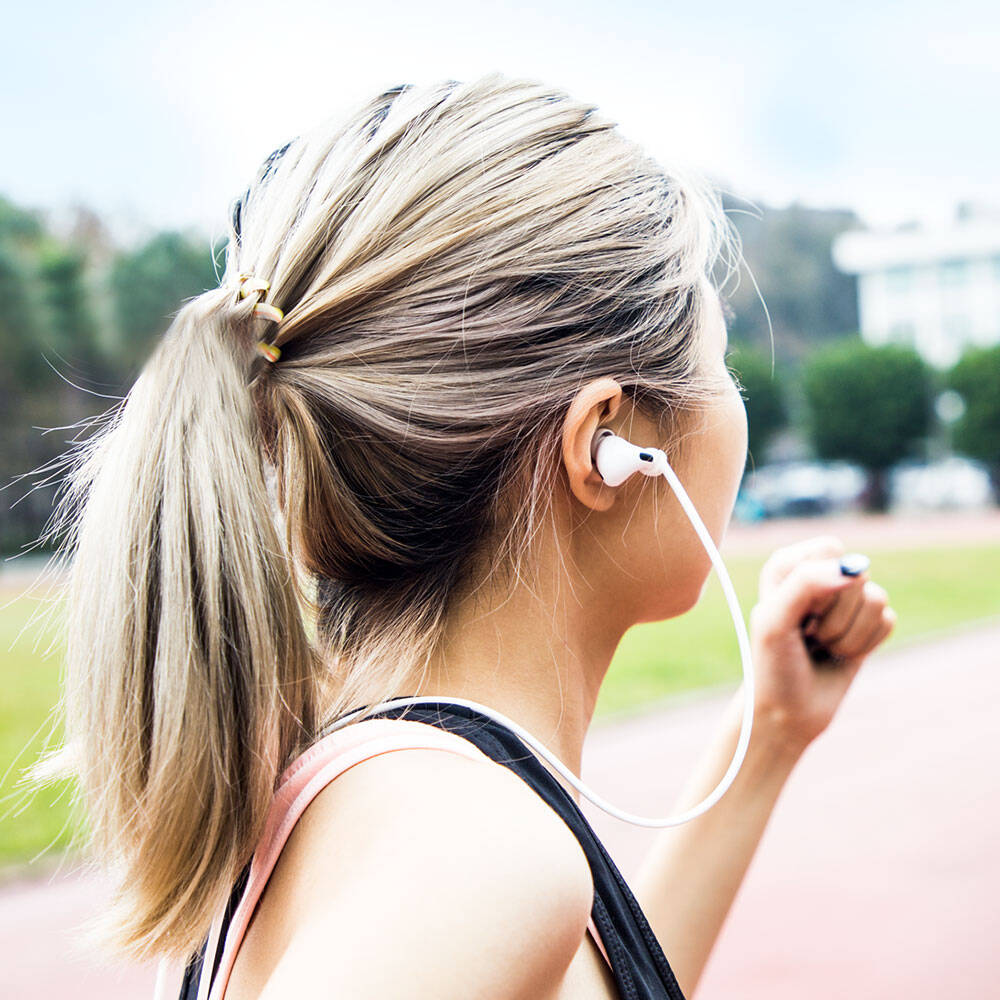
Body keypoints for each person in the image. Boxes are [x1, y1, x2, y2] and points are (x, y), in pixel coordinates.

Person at [30, 73, 896, 999]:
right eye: (720, 367)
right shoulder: (472, 854)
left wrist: (765, 735)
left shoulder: (382, 790)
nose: (737, 407)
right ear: (608, 444)